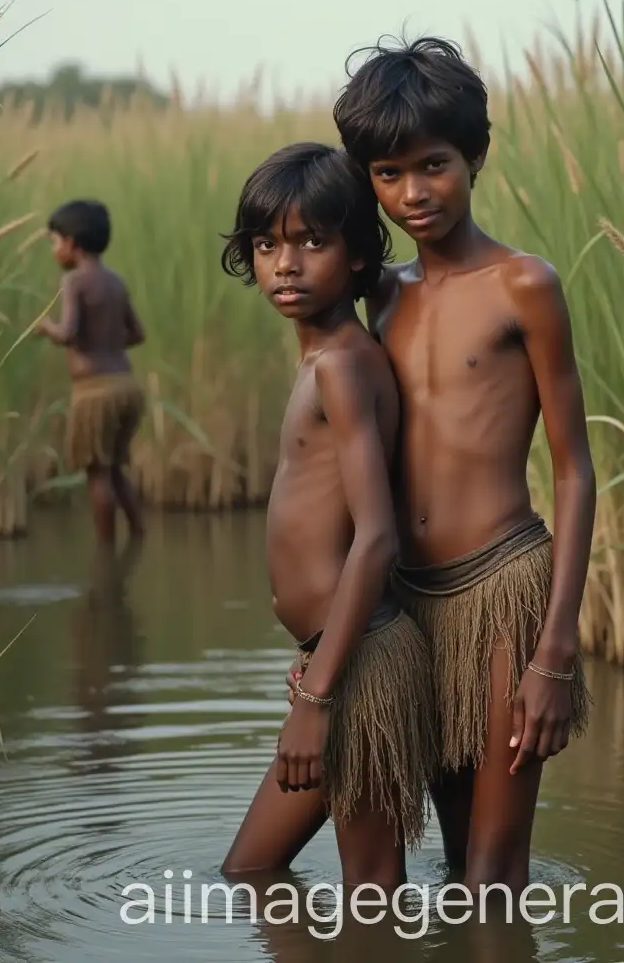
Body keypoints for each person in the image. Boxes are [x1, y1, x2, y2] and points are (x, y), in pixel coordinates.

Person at [290, 35, 595, 900]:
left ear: (477, 156)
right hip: (401, 610)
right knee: (446, 851)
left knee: (493, 870)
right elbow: (339, 475)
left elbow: (575, 471)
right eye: (387, 174)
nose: (413, 193)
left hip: (501, 592)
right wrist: (325, 645)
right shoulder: (376, 295)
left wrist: (556, 650)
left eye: (434, 165)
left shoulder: (523, 286)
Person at [219, 142, 437, 889]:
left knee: (371, 894)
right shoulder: (324, 358)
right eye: (267, 243)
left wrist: (316, 698)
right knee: (251, 868)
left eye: (313, 242)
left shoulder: (343, 364)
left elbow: (374, 537)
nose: (286, 262)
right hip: (337, 658)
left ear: (356, 257)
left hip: (359, 668)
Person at [36, 198, 147, 545]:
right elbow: (137, 334)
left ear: (71, 242)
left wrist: (45, 327)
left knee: (97, 472)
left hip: (94, 392)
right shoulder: (116, 282)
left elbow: (68, 333)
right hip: (127, 386)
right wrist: (108, 344)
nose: (54, 249)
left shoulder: (73, 281)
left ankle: (105, 551)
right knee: (114, 468)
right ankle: (139, 535)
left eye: (54, 241)